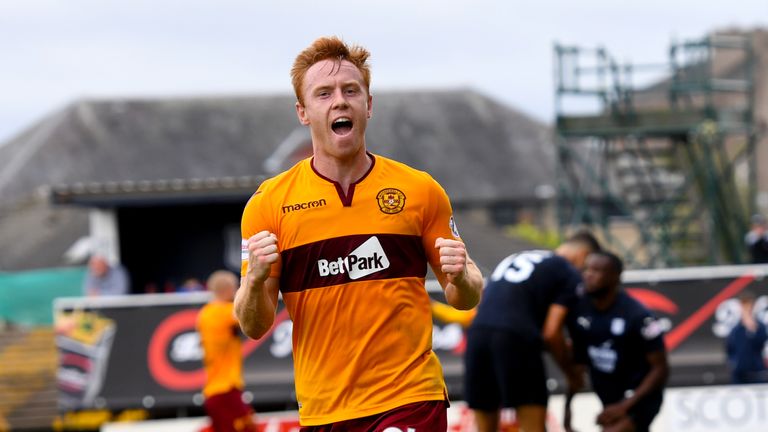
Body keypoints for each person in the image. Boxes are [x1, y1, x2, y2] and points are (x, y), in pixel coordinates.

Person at [234, 36, 483, 430]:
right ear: (303, 111)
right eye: (324, 93)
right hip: (325, 409)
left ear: (368, 105)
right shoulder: (268, 205)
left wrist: (462, 275)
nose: (340, 100)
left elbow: (464, 295)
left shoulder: (419, 190)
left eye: (351, 90)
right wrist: (254, 281)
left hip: (410, 397)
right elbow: (254, 325)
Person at [464, 231, 601, 432]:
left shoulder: (518, 256)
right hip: (516, 337)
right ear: (583, 255)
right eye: (588, 267)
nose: (586, 273)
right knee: (533, 426)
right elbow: (551, 332)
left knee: (485, 426)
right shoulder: (567, 270)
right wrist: (570, 372)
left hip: (477, 334)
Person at [565, 251, 669, 432]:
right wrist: (568, 406)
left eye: (596, 270)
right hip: (609, 397)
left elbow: (660, 368)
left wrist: (625, 406)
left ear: (615, 277)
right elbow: (578, 364)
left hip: (640, 397)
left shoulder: (638, 316)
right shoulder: (580, 310)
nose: (588, 275)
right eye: (587, 269)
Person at [197, 270, 257, 432]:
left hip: (213, 391)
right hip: (226, 390)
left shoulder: (205, 313)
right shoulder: (224, 312)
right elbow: (253, 315)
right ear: (230, 289)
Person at [725, 290, 768, 384]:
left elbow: (761, 342)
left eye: (749, 305)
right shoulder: (736, 329)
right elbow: (729, 349)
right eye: (744, 306)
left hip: (757, 374)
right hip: (739, 375)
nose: (747, 309)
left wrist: (752, 329)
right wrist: (734, 364)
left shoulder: (759, 327)